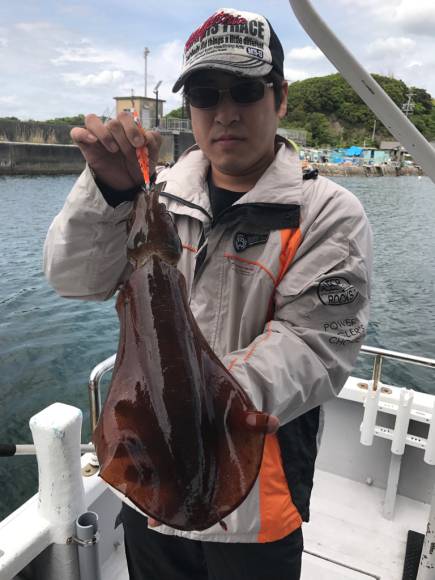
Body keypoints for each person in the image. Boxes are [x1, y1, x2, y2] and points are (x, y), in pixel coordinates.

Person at [43, 7, 372, 580]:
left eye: (245, 89)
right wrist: (108, 192)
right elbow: (74, 279)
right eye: (203, 93)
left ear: (280, 98)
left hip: (252, 498)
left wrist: (196, 398)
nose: (224, 112)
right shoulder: (155, 193)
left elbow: (314, 347)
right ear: (189, 107)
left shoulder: (327, 214)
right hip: (147, 486)